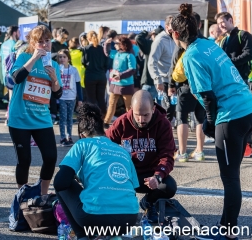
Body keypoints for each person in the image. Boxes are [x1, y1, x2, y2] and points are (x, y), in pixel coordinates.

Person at [170, 4, 252, 239]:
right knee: (233, 174)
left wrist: (210, 122)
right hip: (248, 108)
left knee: (230, 179)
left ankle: (228, 232)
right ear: (198, 27)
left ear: (176, 35)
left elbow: (207, 97)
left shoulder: (191, 56)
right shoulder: (209, 44)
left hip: (232, 116)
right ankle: (225, 224)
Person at [54, 103, 139, 239]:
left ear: (82, 135)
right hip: (129, 220)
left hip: (94, 219)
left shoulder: (83, 144)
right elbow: (132, 187)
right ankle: (112, 236)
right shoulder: (122, 151)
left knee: (62, 181)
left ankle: (82, 236)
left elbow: (60, 183)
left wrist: (75, 176)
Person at [106, 90, 177, 222]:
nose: (141, 120)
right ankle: (117, 208)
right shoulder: (122, 123)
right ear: (131, 109)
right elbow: (104, 145)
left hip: (150, 174)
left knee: (169, 186)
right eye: (137, 115)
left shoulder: (163, 124)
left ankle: (148, 203)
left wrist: (158, 177)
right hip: (127, 173)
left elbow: (167, 156)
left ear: (153, 109)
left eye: (146, 115)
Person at [9, 25, 62, 192]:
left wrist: (54, 78)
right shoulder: (23, 57)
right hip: (20, 118)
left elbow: (57, 94)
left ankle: (43, 193)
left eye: (47, 41)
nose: (45, 45)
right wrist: (33, 58)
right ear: (32, 43)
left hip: (42, 118)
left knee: (51, 157)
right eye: (40, 42)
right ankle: (22, 196)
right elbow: (16, 78)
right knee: (24, 160)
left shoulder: (53, 63)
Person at [215, 11, 252, 157]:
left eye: (222, 22)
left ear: (230, 20)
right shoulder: (221, 40)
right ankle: (233, 142)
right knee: (230, 114)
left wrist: (230, 63)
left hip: (241, 81)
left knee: (245, 112)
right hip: (225, 83)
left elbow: (249, 54)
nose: (221, 26)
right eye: (219, 24)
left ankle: (248, 145)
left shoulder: (243, 35)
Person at [168, 12, 206, 162]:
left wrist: (171, 84)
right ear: (199, 25)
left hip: (185, 85)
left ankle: (182, 153)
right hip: (202, 85)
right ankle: (200, 151)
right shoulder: (205, 42)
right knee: (200, 119)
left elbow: (174, 64)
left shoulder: (183, 42)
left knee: (181, 118)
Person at [103, 36, 136, 129]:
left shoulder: (130, 55)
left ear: (123, 45)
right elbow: (107, 53)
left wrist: (121, 75)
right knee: (111, 104)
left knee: (128, 106)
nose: (115, 45)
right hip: (115, 83)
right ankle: (106, 122)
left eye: (117, 43)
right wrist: (107, 44)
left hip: (126, 84)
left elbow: (132, 69)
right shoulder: (117, 53)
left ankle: (132, 122)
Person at [148, 15, 176, 122]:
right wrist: (157, 79)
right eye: (173, 25)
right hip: (164, 80)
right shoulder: (160, 40)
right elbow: (152, 62)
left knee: (173, 109)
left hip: (176, 80)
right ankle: (163, 134)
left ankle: (166, 132)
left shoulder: (177, 38)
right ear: (167, 26)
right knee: (167, 108)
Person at [57, 49, 83, 147]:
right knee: (63, 117)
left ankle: (69, 136)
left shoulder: (73, 70)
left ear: (68, 58)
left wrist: (80, 99)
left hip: (72, 97)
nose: (62, 59)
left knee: (70, 118)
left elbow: (78, 84)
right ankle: (63, 137)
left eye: (64, 57)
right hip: (62, 97)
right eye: (60, 57)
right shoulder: (57, 68)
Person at [82, 31, 108, 116]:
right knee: (101, 98)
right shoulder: (102, 48)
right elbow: (106, 63)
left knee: (91, 99)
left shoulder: (86, 48)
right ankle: (103, 117)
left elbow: (83, 62)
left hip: (90, 76)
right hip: (101, 76)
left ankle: (92, 117)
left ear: (88, 38)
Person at [136, 26, 165, 100]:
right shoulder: (167, 44)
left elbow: (138, 38)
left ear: (153, 35)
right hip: (162, 81)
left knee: (143, 105)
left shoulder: (151, 44)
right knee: (160, 108)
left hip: (149, 81)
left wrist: (147, 33)